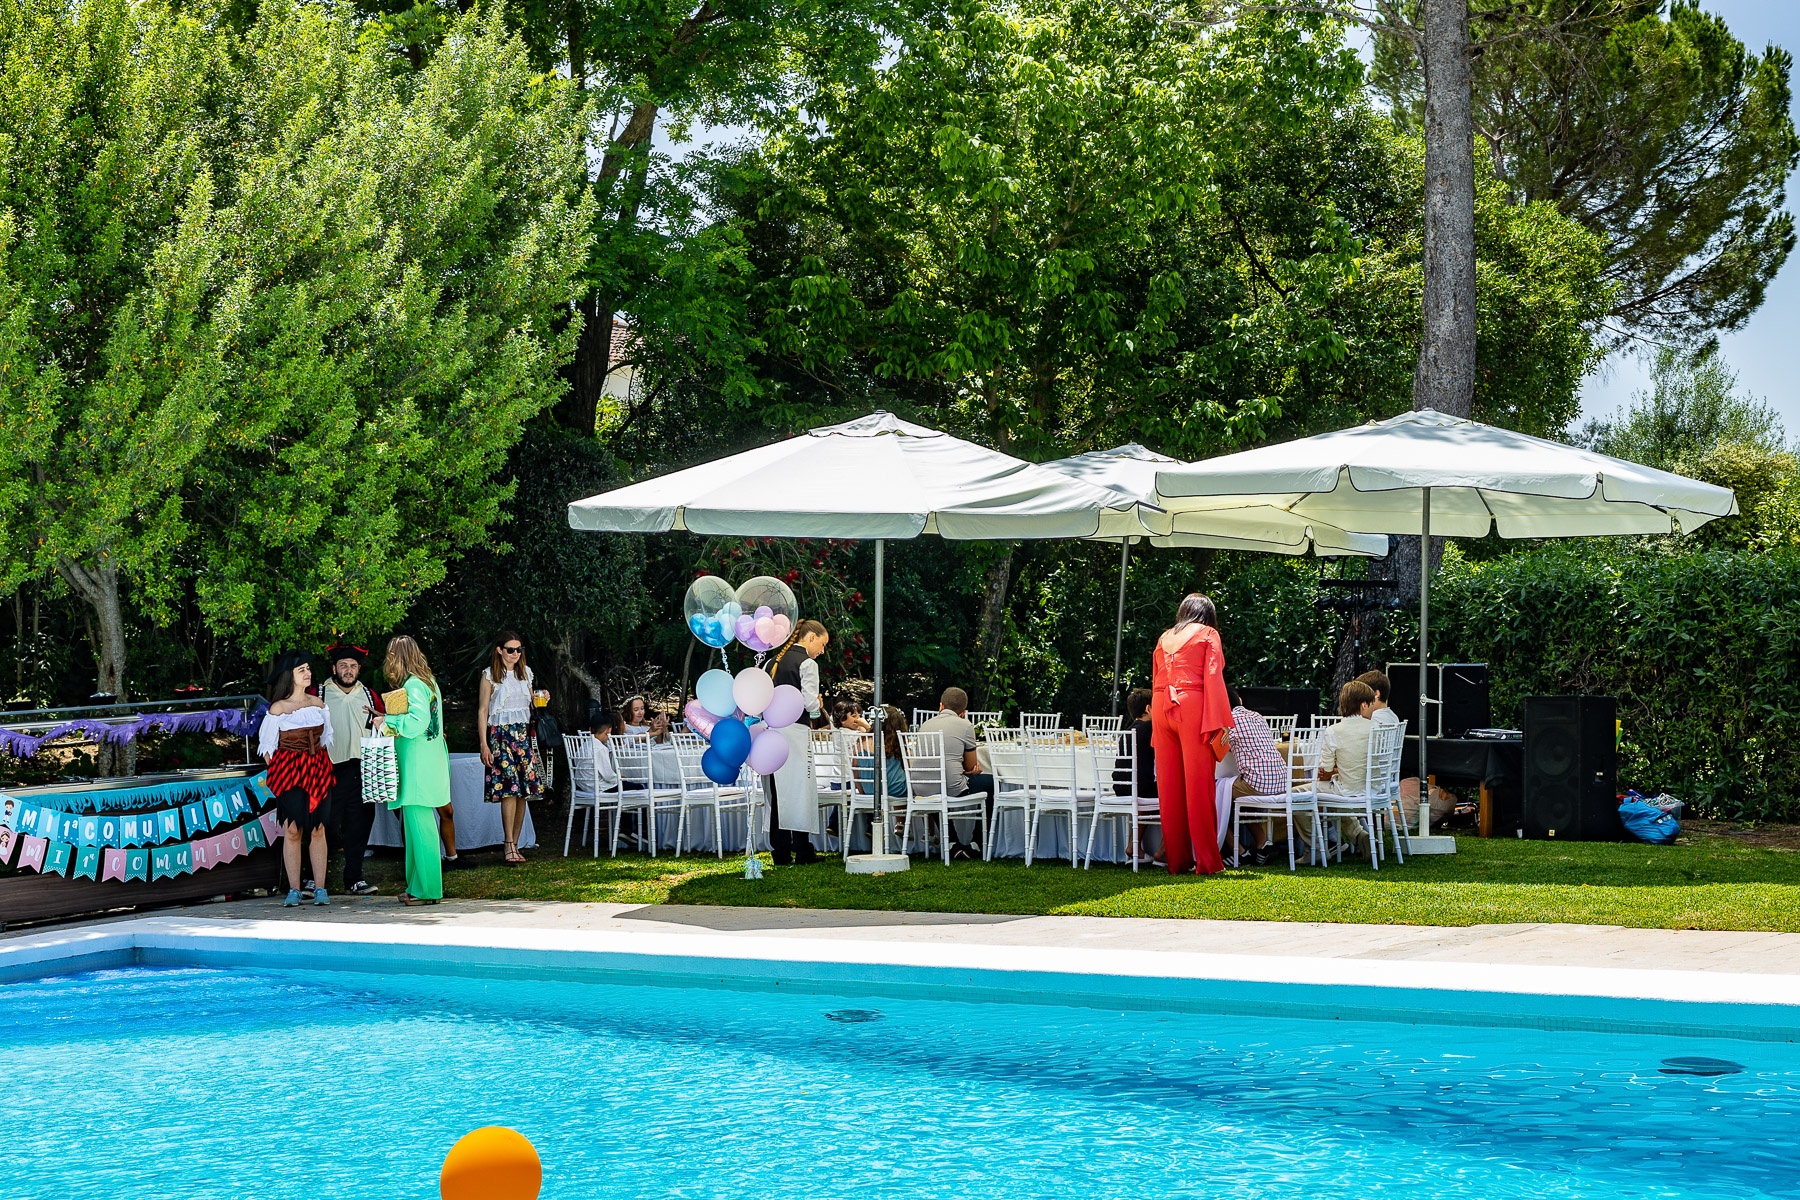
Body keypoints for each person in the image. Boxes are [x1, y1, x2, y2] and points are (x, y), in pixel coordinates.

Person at [1151, 593, 1233, 876]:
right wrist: (1219, 722)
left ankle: (1177, 860)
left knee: (1170, 788)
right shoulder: (1208, 633)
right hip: (1191, 705)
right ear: (1207, 615)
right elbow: (1214, 674)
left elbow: (1156, 679)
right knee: (1199, 788)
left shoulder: (1164, 638)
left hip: (1162, 706)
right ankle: (1208, 862)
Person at [259, 650, 336, 906]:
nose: (308, 673)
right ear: (289, 676)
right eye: (301, 669)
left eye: (308, 669)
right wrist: (283, 772)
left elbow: (326, 742)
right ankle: (294, 889)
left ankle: (321, 889)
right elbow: (268, 749)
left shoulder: (319, 705)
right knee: (292, 829)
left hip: (318, 771)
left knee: (318, 829)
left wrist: (318, 767)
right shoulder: (279, 708)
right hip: (290, 775)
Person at [382, 635, 448, 906]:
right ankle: (416, 886)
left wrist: (387, 720)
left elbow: (418, 723)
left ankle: (427, 890)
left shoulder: (414, 685)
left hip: (418, 766)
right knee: (415, 829)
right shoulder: (429, 683)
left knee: (421, 830)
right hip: (428, 761)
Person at [764, 620, 829, 865]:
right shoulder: (807, 664)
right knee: (799, 791)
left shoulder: (772, 662)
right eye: (822, 644)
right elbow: (810, 705)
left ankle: (779, 851)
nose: (822, 651)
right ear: (811, 637)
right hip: (795, 733)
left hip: (771, 733)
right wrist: (819, 704)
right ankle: (802, 849)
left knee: (777, 792)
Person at [321, 642, 383, 896]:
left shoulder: (370, 695)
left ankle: (354, 878)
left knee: (359, 825)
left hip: (362, 768)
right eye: (343, 665)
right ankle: (315, 879)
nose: (348, 670)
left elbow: (384, 724)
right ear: (334, 667)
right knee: (324, 826)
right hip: (328, 770)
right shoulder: (319, 694)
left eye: (353, 666)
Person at [478, 631, 543, 865]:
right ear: (499, 650)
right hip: (501, 736)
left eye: (519, 649)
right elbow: (483, 711)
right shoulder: (489, 676)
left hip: (523, 735)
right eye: (510, 649)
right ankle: (508, 844)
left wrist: (542, 698)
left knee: (523, 791)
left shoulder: (526, 674)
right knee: (509, 789)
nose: (515, 654)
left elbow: (531, 704)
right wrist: (484, 744)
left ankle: (515, 843)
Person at [917, 687, 994, 861]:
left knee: (936, 788)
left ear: (940, 706)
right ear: (963, 712)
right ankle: (977, 842)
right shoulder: (965, 725)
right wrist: (968, 770)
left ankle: (952, 842)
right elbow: (971, 765)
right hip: (951, 787)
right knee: (991, 783)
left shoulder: (925, 725)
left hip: (921, 786)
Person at [1223, 685, 1288, 865]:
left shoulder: (1228, 722)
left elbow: (1216, 749)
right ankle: (1262, 844)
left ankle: (1237, 850)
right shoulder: (1257, 716)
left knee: (1211, 797)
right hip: (1282, 782)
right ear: (1240, 701)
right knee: (1240, 795)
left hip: (1258, 785)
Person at [1319, 679, 1378, 796]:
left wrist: (1331, 771)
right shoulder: (1378, 727)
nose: (1373, 709)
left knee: (1297, 792)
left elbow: (1326, 772)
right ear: (1364, 705)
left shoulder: (1333, 731)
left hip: (1347, 791)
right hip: (1375, 789)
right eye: (1372, 705)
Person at [1114, 688, 1156, 801]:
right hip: (1143, 791)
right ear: (1148, 709)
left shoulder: (1128, 731)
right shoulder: (1151, 729)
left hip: (1121, 790)